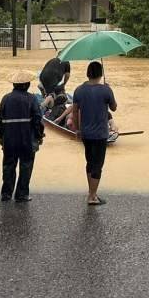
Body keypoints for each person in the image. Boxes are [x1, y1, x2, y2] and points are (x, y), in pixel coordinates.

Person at [57, 61, 116, 206]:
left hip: (86, 134)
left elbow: (75, 111)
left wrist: (77, 130)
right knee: (98, 165)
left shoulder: (79, 90)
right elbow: (113, 108)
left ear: (87, 73)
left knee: (90, 162)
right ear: (101, 74)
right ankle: (92, 196)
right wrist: (110, 90)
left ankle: (92, 193)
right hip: (101, 134)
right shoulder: (105, 91)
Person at [0, 72, 44, 202]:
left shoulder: (6, 98)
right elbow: (37, 120)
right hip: (26, 140)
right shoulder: (32, 99)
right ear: (27, 85)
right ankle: (22, 194)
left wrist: (1, 137)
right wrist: (39, 136)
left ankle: (6, 194)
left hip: (9, 140)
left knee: (8, 166)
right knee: (26, 166)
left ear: (14, 85)